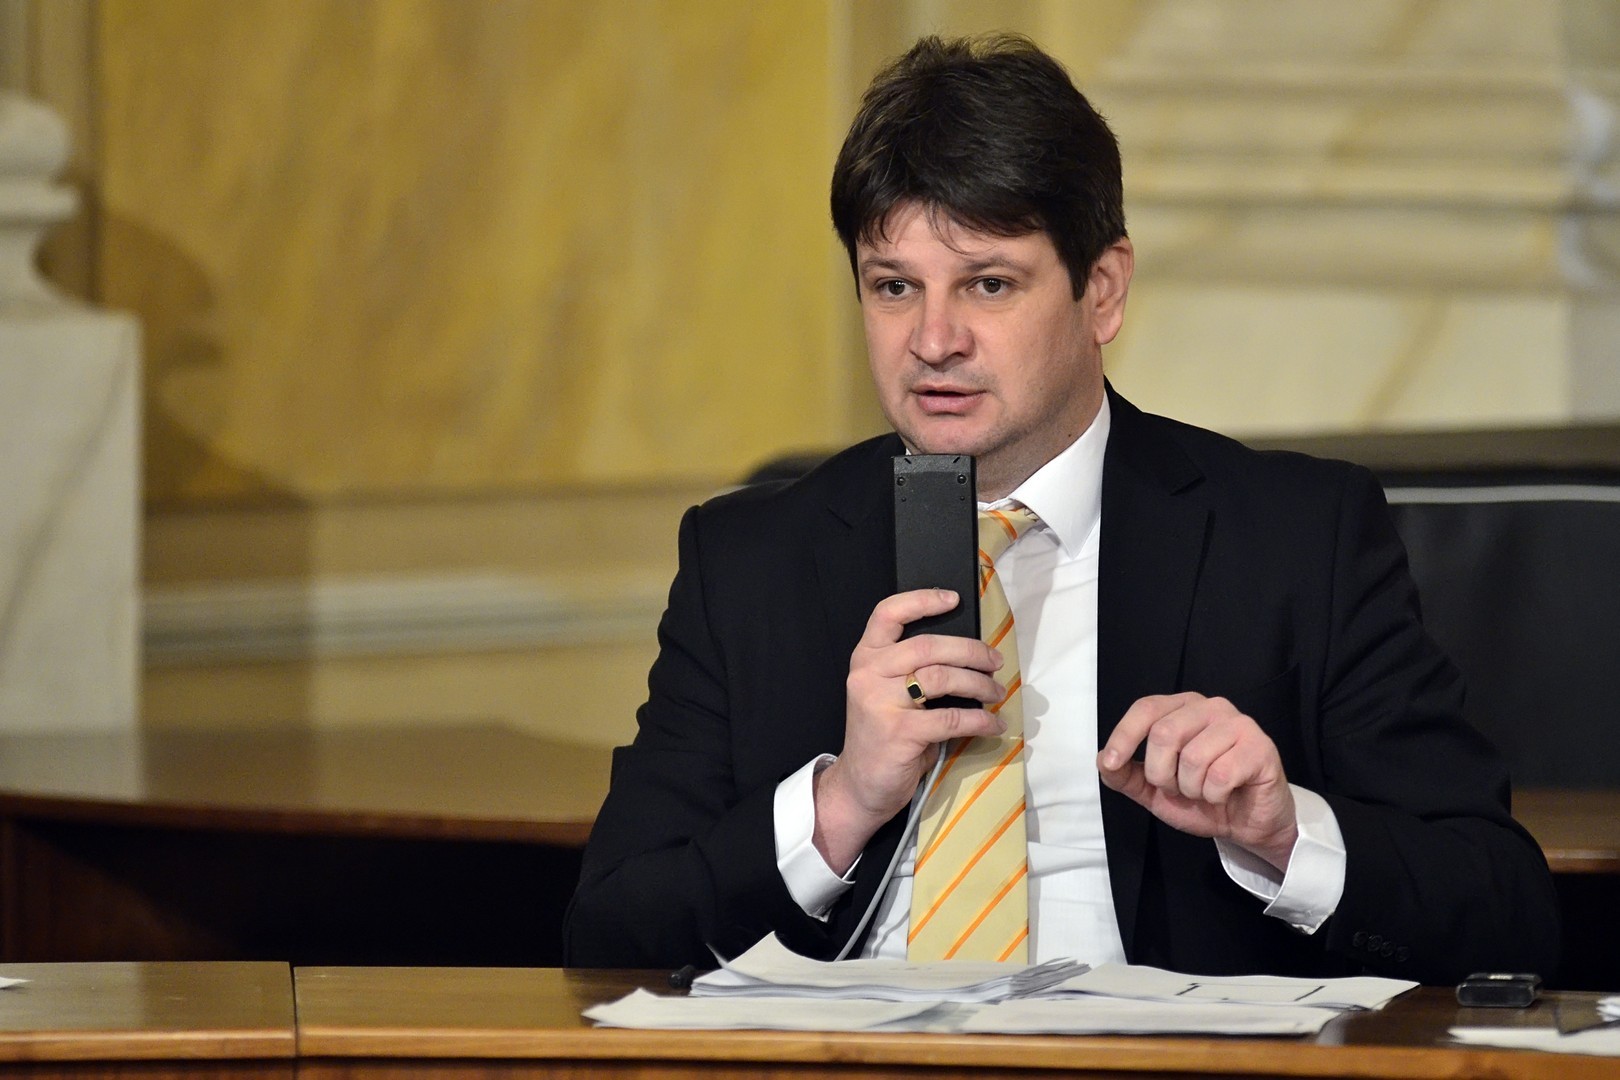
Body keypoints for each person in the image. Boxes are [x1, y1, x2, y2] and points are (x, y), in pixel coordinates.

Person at [563, 33, 1560, 983]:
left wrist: (1283, 832)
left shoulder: (1298, 538)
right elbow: (609, 936)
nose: (934, 340)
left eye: (989, 284)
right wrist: (841, 802)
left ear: (1104, 291)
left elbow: (1507, 911)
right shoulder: (749, 559)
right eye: (894, 287)